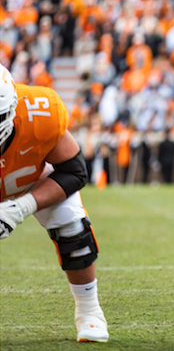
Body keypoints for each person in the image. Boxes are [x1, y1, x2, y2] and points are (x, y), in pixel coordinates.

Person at [0, 65, 108, 343]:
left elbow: (74, 171)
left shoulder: (38, 112)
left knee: (72, 225)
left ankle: (89, 312)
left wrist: (21, 208)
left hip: (28, 177)